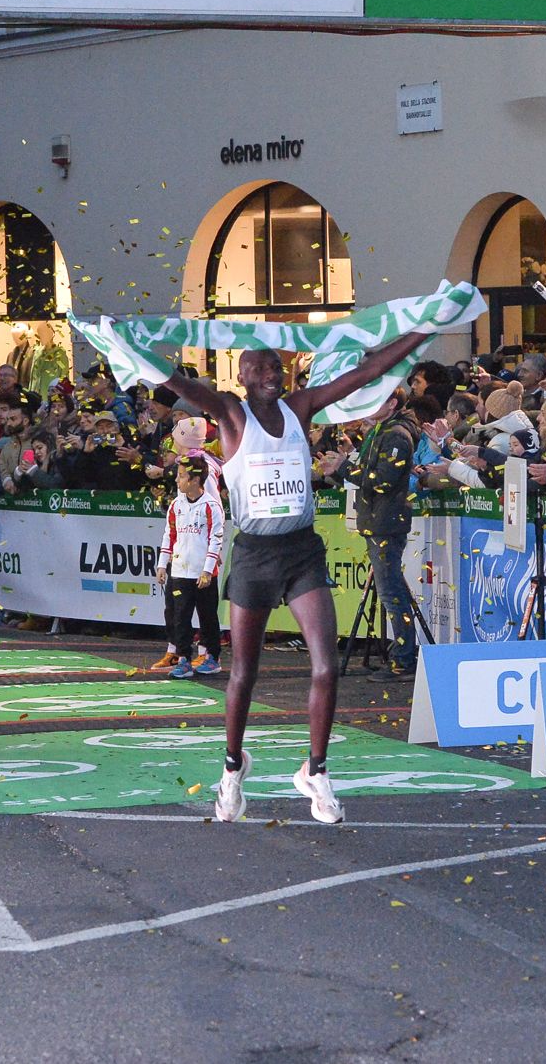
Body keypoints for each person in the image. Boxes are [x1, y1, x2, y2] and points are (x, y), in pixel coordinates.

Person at [165, 330, 434, 827]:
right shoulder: (230, 413)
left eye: (277, 368)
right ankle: (231, 769)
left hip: (301, 550)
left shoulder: (301, 406)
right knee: (244, 672)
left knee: (326, 666)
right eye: (260, 368)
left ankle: (317, 771)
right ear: (242, 376)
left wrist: (428, 328)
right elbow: (179, 383)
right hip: (254, 555)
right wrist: (125, 348)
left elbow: (368, 372)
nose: (271, 375)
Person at [341, 396, 422, 683]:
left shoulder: (396, 435)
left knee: (391, 592)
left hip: (387, 522)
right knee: (389, 590)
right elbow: (371, 473)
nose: (368, 404)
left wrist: (343, 467)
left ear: (392, 403)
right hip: (378, 520)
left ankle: (404, 660)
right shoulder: (379, 431)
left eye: (377, 399)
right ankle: (400, 654)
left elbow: (382, 480)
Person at [156, 456, 226, 678]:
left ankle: (212, 657)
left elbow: (216, 539)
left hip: (203, 574)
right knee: (180, 617)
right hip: (179, 572)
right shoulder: (176, 505)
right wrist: (161, 564)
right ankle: (184, 659)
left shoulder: (211, 506)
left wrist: (207, 570)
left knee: (207, 617)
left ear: (196, 480)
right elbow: (170, 535)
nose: (176, 479)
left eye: (182, 475)